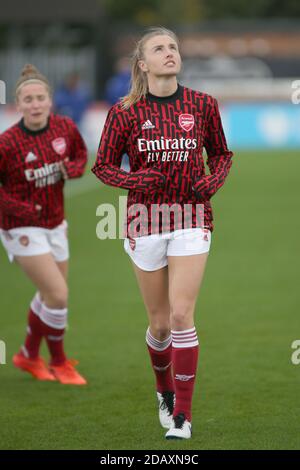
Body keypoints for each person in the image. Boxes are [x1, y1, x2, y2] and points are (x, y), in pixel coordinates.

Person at [92, 28, 233, 439]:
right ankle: (163, 390)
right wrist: (136, 180)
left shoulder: (203, 105)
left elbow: (221, 154)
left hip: (192, 217)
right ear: (143, 64)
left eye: (173, 47)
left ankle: (183, 417)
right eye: (159, 48)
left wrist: (213, 181)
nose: (169, 53)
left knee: (181, 315)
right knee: (159, 326)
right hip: (145, 222)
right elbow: (102, 165)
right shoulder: (124, 111)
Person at [0, 64, 88, 385]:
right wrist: (21, 209)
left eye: (40, 98)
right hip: (20, 227)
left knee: (49, 294)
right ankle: (60, 362)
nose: (35, 104)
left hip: (55, 222)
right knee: (58, 295)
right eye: (28, 99)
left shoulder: (64, 128)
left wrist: (73, 169)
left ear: (50, 100)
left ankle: (27, 354)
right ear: (18, 104)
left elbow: (80, 156)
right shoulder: (7, 143)